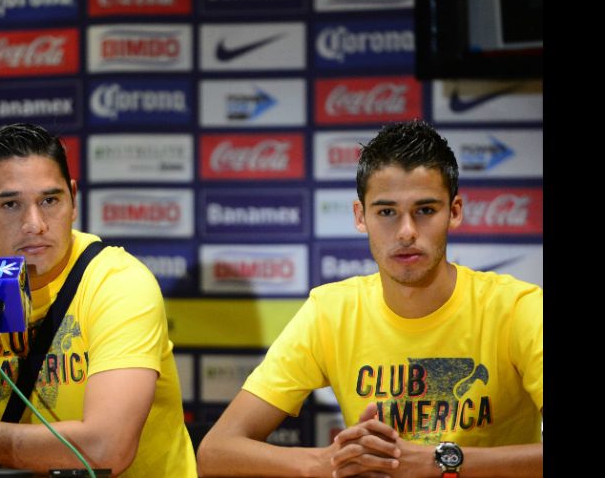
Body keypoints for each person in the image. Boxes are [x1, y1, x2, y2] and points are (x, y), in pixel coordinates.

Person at [196, 120, 543, 477]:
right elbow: (215, 452)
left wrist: (441, 461)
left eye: (425, 210)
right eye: (387, 212)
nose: (407, 232)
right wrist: (326, 463)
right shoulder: (331, 311)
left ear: (454, 212)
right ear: (361, 217)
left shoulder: (518, 309)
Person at [0, 123, 197, 477]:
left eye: (49, 200)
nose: (34, 224)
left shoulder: (118, 282)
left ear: (73, 199)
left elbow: (105, 451)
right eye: (10, 204)